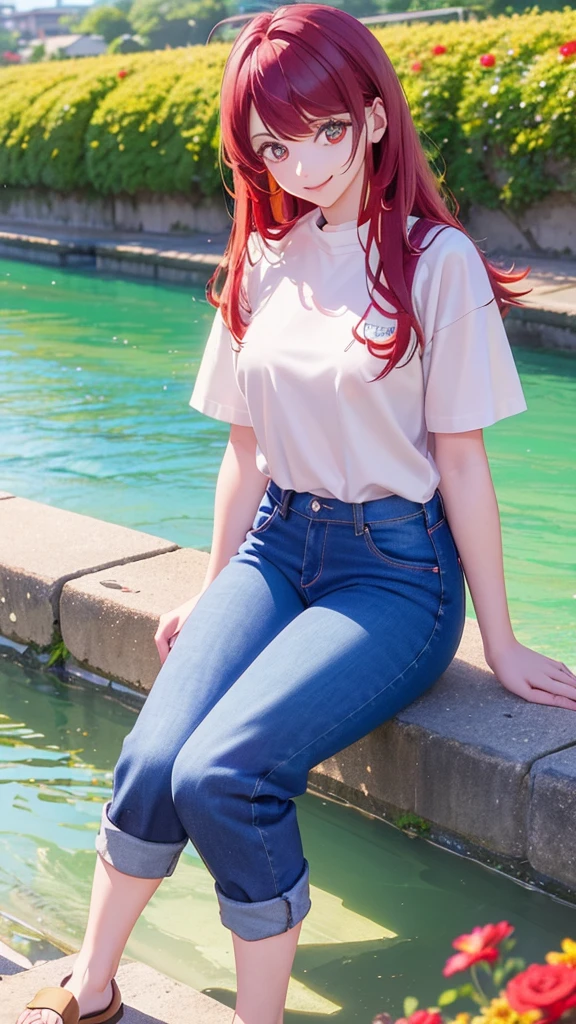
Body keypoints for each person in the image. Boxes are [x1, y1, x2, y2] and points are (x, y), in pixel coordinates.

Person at [17, 5, 576, 1024]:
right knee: (152, 757)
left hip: (393, 575)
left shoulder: (432, 262)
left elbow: (463, 460)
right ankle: (91, 985)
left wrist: (499, 638)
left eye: (323, 130)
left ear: (370, 116)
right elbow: (244, 446)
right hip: (275, 550)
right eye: (274, 143)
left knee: (224, 773)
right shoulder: (265, 256)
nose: (302, 163)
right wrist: (215, 580)